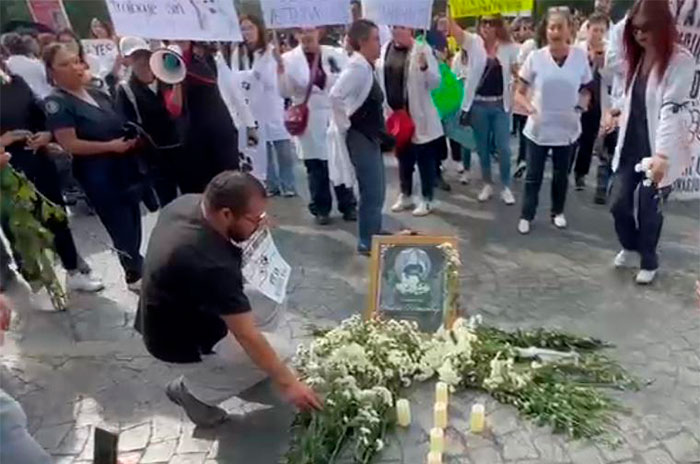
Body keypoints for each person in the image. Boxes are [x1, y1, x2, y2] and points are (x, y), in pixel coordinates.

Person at [135, 171, 321, 427]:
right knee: (283, 356)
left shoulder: (187, 203)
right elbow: (247, 335)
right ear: (225, 214)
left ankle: (241, 368)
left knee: (272, 299)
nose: (259, 224)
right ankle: (193, 394)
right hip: (179, 341)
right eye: (254, 219)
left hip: (183, 310)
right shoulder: (211, 264)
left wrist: (254, 228)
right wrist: (288, 384)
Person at [43, 43, 145, 291]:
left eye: (76, 61)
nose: (74, 68)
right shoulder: (57, 102)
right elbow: (70, 143)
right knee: (119, 224)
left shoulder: (96, 93)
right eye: (64, 64)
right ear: (52, 71)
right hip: (98, 173)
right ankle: (135, 274)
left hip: (124, 166)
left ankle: (137, 265)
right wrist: (110, 146)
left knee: (133, 219)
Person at [608, 0, 694, 285]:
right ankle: (631, 246)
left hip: (659, 149)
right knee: (618, 202)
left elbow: (671, 108)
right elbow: (614, 63)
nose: (640, 35)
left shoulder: (681, 61)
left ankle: (648, 259)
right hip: (630, 144)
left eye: (647, 28)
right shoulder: (636, 57)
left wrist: (662, 155)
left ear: (662, 25)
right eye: (636, 30)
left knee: (648, 208)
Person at [0, 62, 103, 294]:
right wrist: (2, 140)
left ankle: (73, 271)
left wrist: (47, 134)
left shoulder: (16, 83)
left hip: (36, 159)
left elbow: (40, 114)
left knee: (55, 217)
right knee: (20, 228)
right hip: (6, 170)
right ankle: (39, 280)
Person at [514, 7, 593, 235]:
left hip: (567, 128)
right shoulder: (535, 58)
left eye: (560, 27)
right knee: (533, 176)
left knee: (561, 175)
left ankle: (557, 212)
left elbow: (587, 88)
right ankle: (526, 215)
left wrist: (581, 105)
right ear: (545, 30)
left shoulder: (579, 57)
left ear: (569, 30)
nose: (555, 32)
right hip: (538, 128)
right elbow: (519, 91)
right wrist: (529, 107)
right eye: (551, 27)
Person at [276, 28, 357, 225]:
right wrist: (281, 72)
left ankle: (348, 204)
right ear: (296, 35)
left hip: (333, 114)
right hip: (309, 115)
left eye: (310, 30)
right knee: (315, 165)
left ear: (319, 32)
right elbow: (284, 92)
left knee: (339, 160)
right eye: (301, 31)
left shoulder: (334, 54)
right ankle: (321, 207)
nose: (306, 35)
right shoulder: (288, 59)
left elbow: (347, 81)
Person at [450, 16, 519, 205]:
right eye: (484, 23)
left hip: (500, 106)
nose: (487, 27)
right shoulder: (474, 43)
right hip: (479, 105)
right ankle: (487, 183)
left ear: (498, 26)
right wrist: (450, 12)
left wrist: (517, 79)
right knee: (482, 148)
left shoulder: (509, 47)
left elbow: (518, 72)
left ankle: (506, 186)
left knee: (503, 148)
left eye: (491, 23)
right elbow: (455, 31)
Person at [330, 19, 385, 255]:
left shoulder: (366, 65)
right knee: (371, 190)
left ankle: (374, 234)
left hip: (369, 136)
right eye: (375, 39)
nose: (380, 44)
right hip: (360, 136)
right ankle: (366, 241)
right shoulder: (358, 67)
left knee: (377, 190)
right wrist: (345, 125)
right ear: (363, 42)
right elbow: (335, 96)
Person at [379, 26, 443, 217]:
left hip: (418, 114)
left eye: (401, 28)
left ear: (411, 30)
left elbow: (435, 83)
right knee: (402, 156)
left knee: (424, 157)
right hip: (396, 114)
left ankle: (427, 198)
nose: (397, 31)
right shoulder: (386, 48)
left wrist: (425, 68)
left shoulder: (422, 49)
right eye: (394, 27)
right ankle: (405, 194)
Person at [116, 37, 184, 208]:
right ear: (127, 60)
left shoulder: (167, 77)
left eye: (144, 55)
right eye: (135, 57)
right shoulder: (125, 89)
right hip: (155, 156)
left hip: (182, 147)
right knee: (168, 203)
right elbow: (125, 123)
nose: (142, 61)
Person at [232, 15, 297, 198]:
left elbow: (271, 81)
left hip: (273, 106)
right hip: (252, 110)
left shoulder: (269, 51)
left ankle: (289, 184)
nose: (247, 33)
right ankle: (271, 184)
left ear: (259, 29)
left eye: (250, 28)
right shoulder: (239, 53)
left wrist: (276, 64)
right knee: (262, 151)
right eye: (243, 29)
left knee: (282, 148)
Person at [569, 13, 611, 191]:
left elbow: (612, 79)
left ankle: (581, 173)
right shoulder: (576, 50)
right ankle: (564, 168)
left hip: (598, 101)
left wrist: (602, 64)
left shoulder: (610, 50)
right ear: (588, 30)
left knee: (588, 140)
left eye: (602, 30)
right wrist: (587, 59)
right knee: (571, 137)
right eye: (595, 30)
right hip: (577, 98)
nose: (598, 34)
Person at [2, 33, 52, 99]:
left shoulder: (6, 67)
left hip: (24, 102)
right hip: (46, 98)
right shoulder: (37, 63)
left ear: (6, 48)